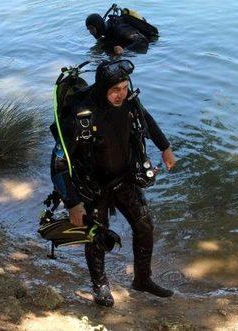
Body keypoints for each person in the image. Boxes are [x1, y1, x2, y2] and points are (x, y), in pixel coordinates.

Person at [55, 59, 176, 307]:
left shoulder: (129, 101)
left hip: (124, 179)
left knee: (144, 226)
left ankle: (142, 279)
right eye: (115, 90)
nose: (121, 94)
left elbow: (146, 118)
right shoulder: (81, 117)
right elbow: (57, 164)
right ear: (103, 89)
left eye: (124, 87)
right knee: (97, 237)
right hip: (92, 186)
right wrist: (73, 203)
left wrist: (165, 147)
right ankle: (100, 286)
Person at [85, 13, 149, 56]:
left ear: (98, 26)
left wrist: (125, 51)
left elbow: (143, 41)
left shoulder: (121, 30)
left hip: (150, 42)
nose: (91, 32)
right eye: (88, 29)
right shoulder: (105, 30)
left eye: (92, 28)